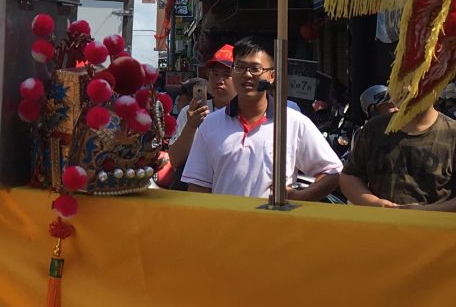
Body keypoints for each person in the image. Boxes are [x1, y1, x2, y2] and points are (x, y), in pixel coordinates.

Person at [182, 36, 342, 200]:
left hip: (275, 223)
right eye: (240, 67)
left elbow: (332, 172)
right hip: (225, 223)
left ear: (272, 76)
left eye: (255, 69)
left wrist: (301, 197)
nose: (247, 75)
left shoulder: (292, 122)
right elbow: (198, 186)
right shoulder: (210, 123)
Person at [341, 96, 456, 209]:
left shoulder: (451, 133)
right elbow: (350, 176)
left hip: (435, 226)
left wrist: (426, 212)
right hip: (380, 224)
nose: (408, 88)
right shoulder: (374, 128)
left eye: (415, 81)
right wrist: (373, 203)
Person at [166, 45, 236, 173]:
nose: (219, 80)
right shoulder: (190, 112)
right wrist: (191, 126)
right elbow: (175, 160)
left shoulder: (248, 112)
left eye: (227, 75)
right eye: (214, 74)